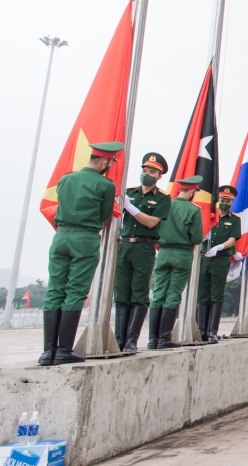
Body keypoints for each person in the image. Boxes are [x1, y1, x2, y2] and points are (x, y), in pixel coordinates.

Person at [41, 141, 120, 366]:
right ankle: (64, 349)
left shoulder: (66, 179)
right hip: (85, 238)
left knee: (55, 290)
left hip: (61, 236)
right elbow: (106, 214)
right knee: (75, 291)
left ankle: (48, 352)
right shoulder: (106, 185)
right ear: (105, 162)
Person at [115, 151, 170, 354]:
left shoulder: (163, 198)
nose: (147, 174)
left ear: (159, 176)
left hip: (144, 247)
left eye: (152, 171)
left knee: (139, 293)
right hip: (124, 244)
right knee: (121, 292)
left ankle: (131, 340)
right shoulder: (129, 191)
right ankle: (118, 338)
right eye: (145, 170)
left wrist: (129, 208)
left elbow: (151, 222)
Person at [149, 174, 205, 349]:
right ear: (192, 192)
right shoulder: (194, 210)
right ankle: (164, 338)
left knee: (158, 293)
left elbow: (156, 228)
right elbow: (196, 238)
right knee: (173, 295)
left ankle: (152, 339)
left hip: (163, 252)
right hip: (182, 253)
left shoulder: (166, 205)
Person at [197, 186, 240, 342]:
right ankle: (201, 330)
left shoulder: (234, 220)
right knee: (203, 294)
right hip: (204, 258)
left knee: (217, 295)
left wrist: (220, 247)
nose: (224, 203)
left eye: (228, 201)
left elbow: (232, 239)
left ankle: (212, 330)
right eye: (222, 200)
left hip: (221, 259)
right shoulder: (208, 215)